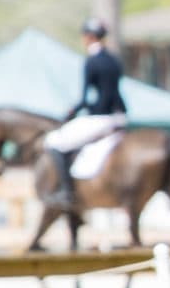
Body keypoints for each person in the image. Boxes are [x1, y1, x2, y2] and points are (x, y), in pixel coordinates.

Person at [41, 18, 127, 208]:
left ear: (89, 37)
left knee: (54, 141)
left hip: (100, 117)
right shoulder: (114, 60)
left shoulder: (92, 62)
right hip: (120, 115)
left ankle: (66, 191)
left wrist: (71, 113)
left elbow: (85, 98)